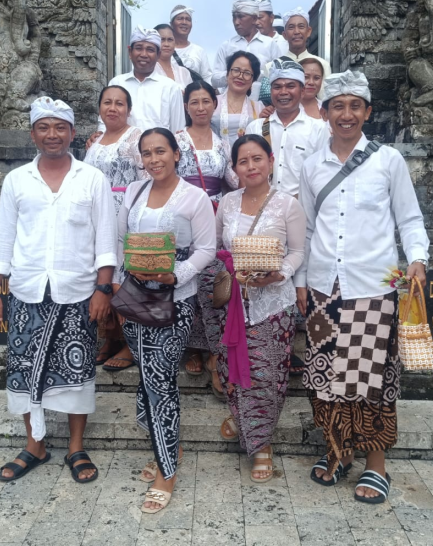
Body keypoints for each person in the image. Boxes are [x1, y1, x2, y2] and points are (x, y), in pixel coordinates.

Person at [296, 70, 429, 502]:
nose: (346, 114)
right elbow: (309, 228)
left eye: (355, 106)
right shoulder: (312, 165)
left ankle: (376, 467)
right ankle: (337, 452)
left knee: (370, 379)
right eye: (338, 106)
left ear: (368, 112)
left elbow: (409, 218)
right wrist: (301, 280)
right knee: (325, 377)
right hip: (323, 287)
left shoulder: (387, 160)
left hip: (373, 286)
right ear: (324, 112)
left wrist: (418, 261)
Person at [0, 96, 117, 485]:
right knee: (26, 369)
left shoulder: (92, 179)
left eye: (60, 127)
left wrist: (103, 289)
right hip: (27, 290)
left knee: (77, 369)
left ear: (73, 133)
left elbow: (106, 239)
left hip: (77, 290)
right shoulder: (17, 180)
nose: (52, 135)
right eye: (44, 127)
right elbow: (3, 238)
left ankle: (76, 446)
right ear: (33, 134)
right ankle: (35, 445)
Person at [114, 128, 216, 513]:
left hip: (175, 301)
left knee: (159, 380)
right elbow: (122, 240)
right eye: (147, 153)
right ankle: (167, 444)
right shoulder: (136, 192)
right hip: (138, 299)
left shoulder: (194, 197)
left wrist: (180, 274)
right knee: (147, 376)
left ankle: (166, 469)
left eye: (161, 151)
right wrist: (124, 284)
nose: (154, 159)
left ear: (177, 154)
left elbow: (207, 249)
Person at [215, 134, 306, 482]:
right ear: (234, 167)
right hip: (233, 305)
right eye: (243, 161)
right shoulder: (228, 203)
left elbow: (297, 251)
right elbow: (216, 248)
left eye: (257, 159)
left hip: (273, 306)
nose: (250, 167)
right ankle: (241, 418)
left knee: (267, 378)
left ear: (270, 161)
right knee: (234, 373)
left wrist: (279, 273)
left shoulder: (287, 205)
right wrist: (229, 266)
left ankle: (262, 445)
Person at [174, 80, 238, 380]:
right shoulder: (176, 140)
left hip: (213, 214)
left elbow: (231, 180)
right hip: (182, 213)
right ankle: (191, 347)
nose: (200, 107)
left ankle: (213, 346)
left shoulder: (222, 143)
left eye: (206, 101)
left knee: (210, 278)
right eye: (194, 102)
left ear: (215, 105)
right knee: (185, 275)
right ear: (186, 106)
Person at [83, 86, 147, 372]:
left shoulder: (136, 138)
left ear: (128, 109)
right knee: (102, 271)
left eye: (119, 103)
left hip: (124, 211)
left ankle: (129, 343)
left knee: (123, 274)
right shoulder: (94, 143)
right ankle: (109, 336)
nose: (113, 108)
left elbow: (147, 178)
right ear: (99, 108)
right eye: (107, 102)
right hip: (95, 213)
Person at [244, 60, 328, 198]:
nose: (283, 92)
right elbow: (247, 173)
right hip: (261, 210)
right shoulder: (255, 128)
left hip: (301, 211)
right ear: (271, 92)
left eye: (290, 86)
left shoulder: (318, 129)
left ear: (302, 91)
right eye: (277, 87)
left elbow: (322, 175)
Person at [97, 26, 185, 134]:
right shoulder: (117, 83)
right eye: (139, 48)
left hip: (157, 150)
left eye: (150, 50)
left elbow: (178, 132)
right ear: (130, 52)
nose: (143, 54)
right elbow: (104, 123)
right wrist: (99, 135)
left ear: (158, 55)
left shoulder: (171, 88)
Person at [258, 7, 331, 105]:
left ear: (308, 31)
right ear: (284, 34)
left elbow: (325, 100)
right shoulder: (271, 66)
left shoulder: (323, 65)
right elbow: (268, 103)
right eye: (291, 27)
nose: (296, 32)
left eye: (301, 27)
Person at [211, 0, 280, 90]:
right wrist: (235, 74)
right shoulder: (226, 46)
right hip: (230, 102)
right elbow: (214, 79)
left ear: (254, 18)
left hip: (261, 103)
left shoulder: (270, 44)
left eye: (241, 17)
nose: (236, 22)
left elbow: (279, 75)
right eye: (234, 17)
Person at [211, 51, 264, 149]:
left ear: (253, 79)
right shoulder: (212, 103)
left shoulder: (259, 107)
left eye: (247, 73)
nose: (240, 76)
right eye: (236, 70)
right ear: (227, 73)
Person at [169, 4, 212, 85]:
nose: (184, 22)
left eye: (188, 19)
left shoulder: (199, 51)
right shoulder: (164, 49)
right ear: (171, 24)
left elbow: (207, 78)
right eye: (180, 19)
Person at [154, 23, 193, 90]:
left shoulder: (184, 72)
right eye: (162, 40)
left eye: (170, 40)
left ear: (175, 43)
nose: (166, 44)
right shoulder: (149, 70)